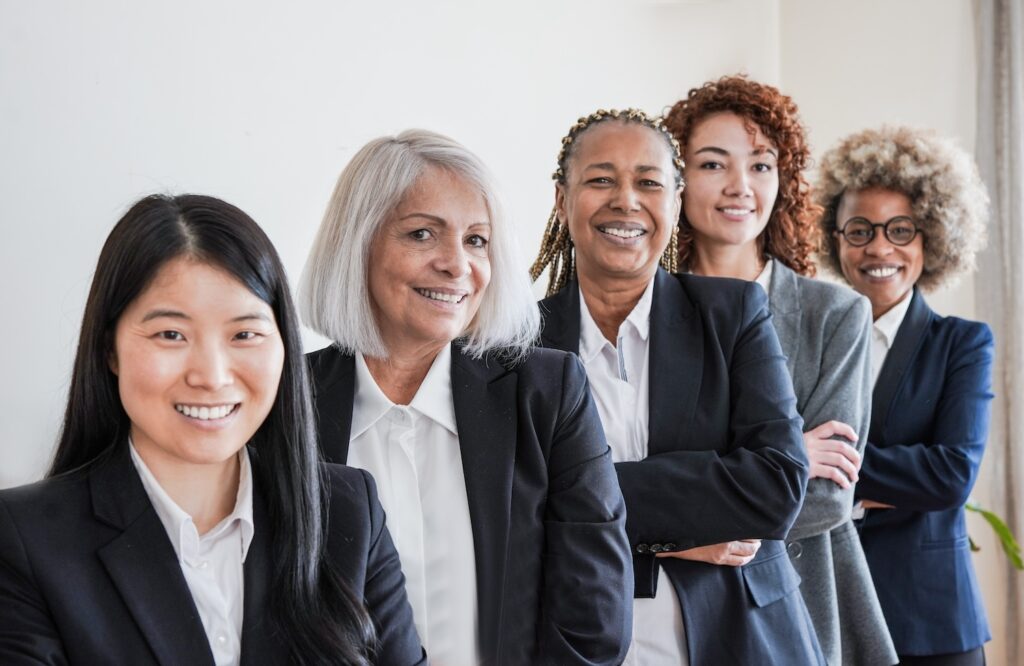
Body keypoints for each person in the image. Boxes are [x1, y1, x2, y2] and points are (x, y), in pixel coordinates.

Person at [0, 194, 424, 665]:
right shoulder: (23, 541)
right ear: (110, 349)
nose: (212, 375)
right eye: (171, 335)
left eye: (245, 334)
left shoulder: (347, 514)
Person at [301, 129, 632, 665]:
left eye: (476, 240)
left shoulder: (549, 393)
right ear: (356, 242)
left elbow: (594, 616)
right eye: (422, 234)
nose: (457, 264)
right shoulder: (286, 403)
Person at [530, 107, 822, 665]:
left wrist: (581, 498)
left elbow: (777, 484)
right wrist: (683, 527)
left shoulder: (732, 314)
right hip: (576, 643)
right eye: (600, 179)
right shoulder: (518, 343)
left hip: (739, 638)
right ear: (563, 200)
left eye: (648, 182)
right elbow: (510, 507)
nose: (626, 199)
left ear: (675, 200)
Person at [664, 76, 897, 665]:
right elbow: (606, 476)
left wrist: (674, 496)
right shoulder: (643, 310)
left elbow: (825, 496)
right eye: (714, 164)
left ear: (784, 181)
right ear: (676, 178)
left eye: (762, 166)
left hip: (798, 600)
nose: (740, 186)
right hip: (662, 606)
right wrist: (786, 450)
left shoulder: (835, 314)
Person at [816, 126, 992, 666]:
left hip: (930, 619)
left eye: (900, 229)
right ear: (836, 239)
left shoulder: (962, 343)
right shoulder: (810, 339)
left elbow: (951, 474)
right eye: (859, 230)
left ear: (931, 237)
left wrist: (831, 470)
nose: (878, 248)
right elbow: (778, 458)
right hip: (831, 611)